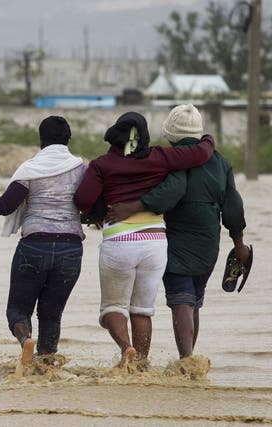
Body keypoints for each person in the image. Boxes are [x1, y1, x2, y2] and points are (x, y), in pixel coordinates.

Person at [104, 104, 249, 360]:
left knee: (181, 301)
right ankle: (189, 360)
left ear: (170, 132)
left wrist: (133, 207)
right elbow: (233, 206)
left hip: (176, 241)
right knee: (193, 302)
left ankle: (187, 360)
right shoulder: (221, 162)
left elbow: (168, 194)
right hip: (209, 243)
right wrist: (239, 243)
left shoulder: (171, 162)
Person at [73, 112, 215, 368]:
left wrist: (99, 210)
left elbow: (82, 200)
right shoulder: (159, 157)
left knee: (113, 308)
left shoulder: (101, 165)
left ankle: (126, 348)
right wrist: (207, 138)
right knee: (142, 310)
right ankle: (140, 362)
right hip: (155, 243)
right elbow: (201, 153)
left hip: (119, 241)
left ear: (114, 136)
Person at [0, 116, 86, 365]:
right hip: (71, 249)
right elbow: (92, 204)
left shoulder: (31, 169)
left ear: (41, 140)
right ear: (68, 139)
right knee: (51, 315)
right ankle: (47, 364)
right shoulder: (83, 169)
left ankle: (25, 341)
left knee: (18, 311)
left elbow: (5, 206)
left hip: (34, 246)